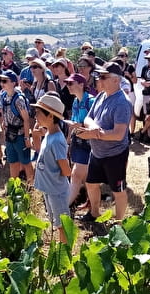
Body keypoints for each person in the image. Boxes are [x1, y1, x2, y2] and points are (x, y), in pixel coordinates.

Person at [74, 62, 132, 222]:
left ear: (116, 80)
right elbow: (88, 117)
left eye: (103, 76)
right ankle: (94, 213)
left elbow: (119, 134)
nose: (99, 79)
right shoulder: (101, 95)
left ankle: (119, 222)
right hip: (97, 152)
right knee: (91, 184)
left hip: (115, 154)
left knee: (118, 190)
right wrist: (94, 129)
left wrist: (95, 134)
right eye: (99, 76)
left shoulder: (122, 103)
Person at [32, 94, 71, 243]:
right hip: (49, 189)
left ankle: (66, 259)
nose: (35, 115)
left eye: (38, 112)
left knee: (62, 226)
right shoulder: (48, 133)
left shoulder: (56, 141)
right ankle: (61, 250)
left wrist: (53, 176)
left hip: (57, 192)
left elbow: (66, 170)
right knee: (56, 223)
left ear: (50, 116)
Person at [65, 73, 95, 207]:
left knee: (76, 174)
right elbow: (74, 121)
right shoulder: (75, 101)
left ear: (81, 84)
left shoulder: (91, 101)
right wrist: (68, 140)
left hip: (89, 144)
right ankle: (91, 202)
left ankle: (64, 206)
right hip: (77, 142)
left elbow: (97, 125)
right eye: (67, 83)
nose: (68, 86)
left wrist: (81, 126)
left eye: (71, 83)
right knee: (86, 177)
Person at [0, 70, 33, 183]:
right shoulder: (4, 96)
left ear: (13, 83)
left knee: (26, 162)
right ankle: (14, 186)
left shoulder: (19, 99)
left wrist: (27, 138)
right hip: (10, 135)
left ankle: (31, 186)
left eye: (5, 81)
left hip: (20, 135)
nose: (2, 83)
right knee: (12, 162)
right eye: (1, 81)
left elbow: (26, 119)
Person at [140, 47, 150, 124]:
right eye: (146, 53)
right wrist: (143, 82)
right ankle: (146, 133)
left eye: (148, 53)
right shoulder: (145, 67)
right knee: (146, 113)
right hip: (146, 93)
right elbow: (141, 78)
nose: (147, 55)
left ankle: (149, 133)